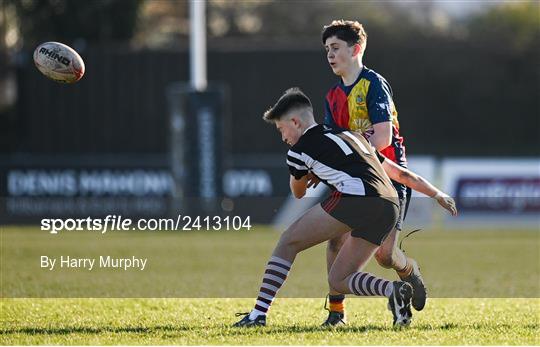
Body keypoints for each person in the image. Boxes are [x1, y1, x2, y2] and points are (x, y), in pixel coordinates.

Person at [233, 88, 457, 328]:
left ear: (295, 122)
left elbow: (298, 192)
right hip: (390, 203)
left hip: (356, 199)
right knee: (339, 279)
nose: (283, 137)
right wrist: (437, 194)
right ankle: (394, 290)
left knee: (288, 241)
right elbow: (399, 173)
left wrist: (305, 170)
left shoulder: (298, 151)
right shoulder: (352, 135)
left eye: (281, 129)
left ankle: (258, 314)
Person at [319, 20, 425, 326]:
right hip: (353, 179)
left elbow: (382, 139)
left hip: (388, 179)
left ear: (356, 49)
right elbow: (333, 143)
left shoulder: (374, 84)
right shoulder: (332, 97)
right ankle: (336, 313)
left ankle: (409, 271)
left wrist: (346, 145)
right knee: (335, 240)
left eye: (336, 48)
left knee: (385, 257)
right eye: (327, 49)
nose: (330, 54)